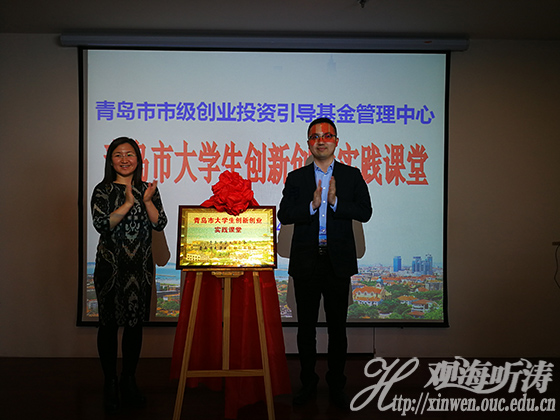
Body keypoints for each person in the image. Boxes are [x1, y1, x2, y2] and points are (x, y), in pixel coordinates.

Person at [278, 118, 372, 410]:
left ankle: (336, 385)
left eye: (327, 136)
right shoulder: (296, 178)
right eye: (315, 136)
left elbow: (365, 211)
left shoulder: (351, 175)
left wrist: (334, 202)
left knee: (337, 330)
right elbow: (284, 214)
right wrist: (312, 205)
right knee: (306, 330)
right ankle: (308, 384)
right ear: (308, 143)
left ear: (336, 141)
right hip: (306, 261)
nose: (321, 141)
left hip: (337, 263)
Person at [91, 136, 167, 413]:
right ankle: (110, 382)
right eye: (118, 155)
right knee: (109, 326)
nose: (125, 159)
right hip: (110, 269)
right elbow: (101, 224)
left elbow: (160, 223)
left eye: (130, 154)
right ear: (111, 161)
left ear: (138, 159)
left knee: (135, 326)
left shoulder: (148, 189)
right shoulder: (102, 190)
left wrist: (146, 201)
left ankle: (128, 380)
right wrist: (126, 203)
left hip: (140, 269)